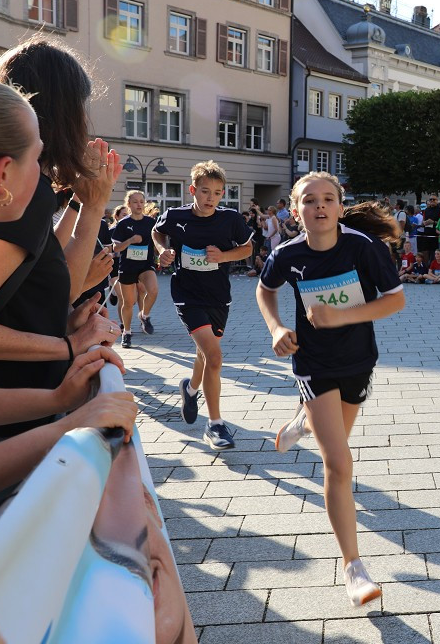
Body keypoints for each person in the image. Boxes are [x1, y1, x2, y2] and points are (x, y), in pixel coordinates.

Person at [0, 71, 137, 572]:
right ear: (2, 175)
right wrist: (71, 427)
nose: (47, 173)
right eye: (37, 158)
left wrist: (57, 401)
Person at [256, 171, 404, 607]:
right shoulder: (287, 254)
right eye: (309, 201)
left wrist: (342, 317)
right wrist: (276, 326)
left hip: (358, 362)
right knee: (338, 465)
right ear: (294, 210)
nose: (319, 206)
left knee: (335, 437)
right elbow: (265, 291)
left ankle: (302, 420)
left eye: (327, 199)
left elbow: (395, 299)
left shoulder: (364, 247)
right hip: (313, 365)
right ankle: (353, 567)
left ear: (340, 206)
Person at [154, 161, 253, 450]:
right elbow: (158, 233)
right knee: (215, 355)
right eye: (206, 191)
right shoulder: (176, 215)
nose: (211, 198)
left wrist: (223, 256)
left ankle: (190, 388)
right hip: (187, 294)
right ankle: (216, 425)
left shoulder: (230, 219)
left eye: (218, 193)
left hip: (218, 295)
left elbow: (248, 248)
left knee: (205, 354)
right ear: (193, 190)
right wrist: (163, 251)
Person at [110, 190, 159, 347]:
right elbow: (116, 248)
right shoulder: (123, 224)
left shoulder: (151, 223)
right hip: (128, 266)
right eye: (135, 202)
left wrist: (162, 252)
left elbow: (158, 240)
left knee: (153, 290)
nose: (139, 204)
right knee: (128, 302)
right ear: (128, 204)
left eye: (141, 201)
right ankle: (127, 333)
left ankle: (144, 316)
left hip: (145, 265)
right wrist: (130, 240)